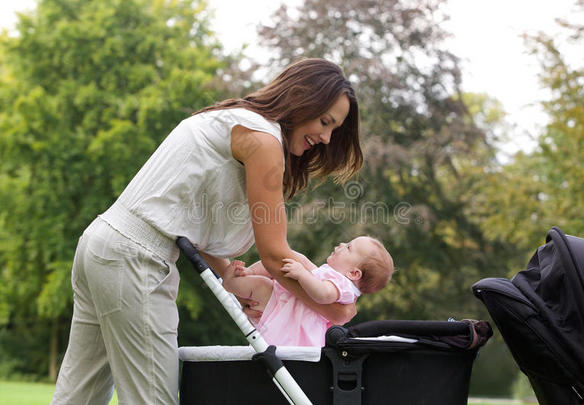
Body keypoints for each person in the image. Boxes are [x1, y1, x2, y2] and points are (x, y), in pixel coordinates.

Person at [51, 58, 363, 405]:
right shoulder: (263, 141)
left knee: (77, 395)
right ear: (302, 96)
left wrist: (230, 273)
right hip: (135, 260)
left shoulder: (234, 119)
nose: (326, 137)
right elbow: (274, 256)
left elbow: (184, 222)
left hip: (104, 244)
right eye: (325, 122)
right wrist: (332, 309)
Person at [222, 236, 394, 346]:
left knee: (261, 285)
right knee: (265, 279)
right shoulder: (335, 276)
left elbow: (323, 294)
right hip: (287, 305)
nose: (341, 244)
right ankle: (244, 276)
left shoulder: (344, 286)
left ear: (354, 273)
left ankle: (231, 283)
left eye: (348, 247)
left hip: (293, 318)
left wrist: (302, 274)